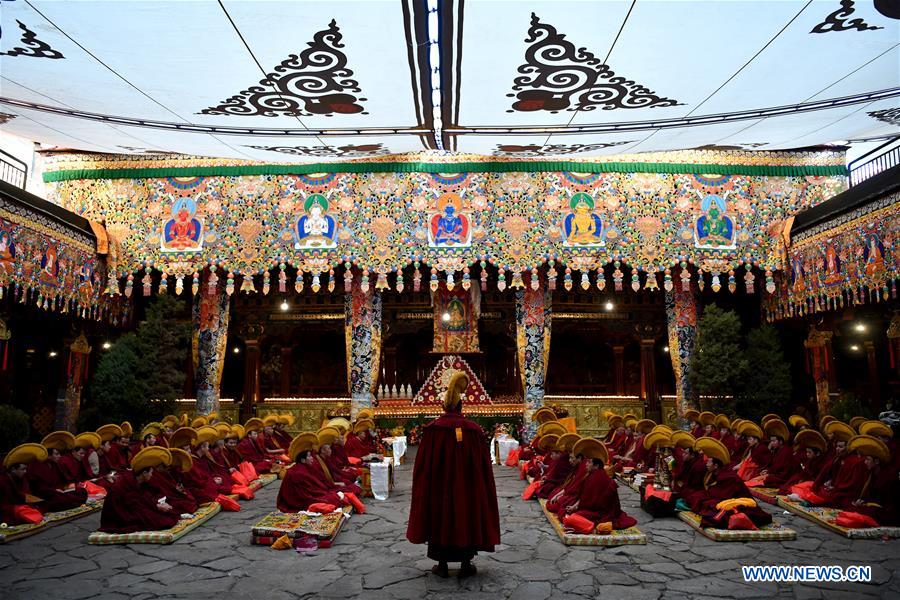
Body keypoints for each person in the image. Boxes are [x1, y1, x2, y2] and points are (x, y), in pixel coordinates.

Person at [407, 372, 500, 579]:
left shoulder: (433, 431)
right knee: (465, 515)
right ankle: (466, 563)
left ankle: (442, 565)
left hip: (439, 488)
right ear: (460, 407)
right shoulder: (473, 431)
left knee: (441, 517)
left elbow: (422, 467)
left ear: (444, 407)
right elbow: (483, 467)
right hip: (467, 488)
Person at [682, 438, 772, 529]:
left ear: (716, 466)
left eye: (709, 462)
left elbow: (723, 495)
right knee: (696, 496)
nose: (706, 464)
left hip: (739, 501)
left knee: (706, 503)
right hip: (724, 498)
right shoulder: (716, 473)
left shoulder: (728, 477)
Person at [558, 438, 637, 532]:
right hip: (593, 510)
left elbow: (592, 504)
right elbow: (584, 498)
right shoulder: (591, 476)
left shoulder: (598, 478)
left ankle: (589, 526)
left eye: (589, 462)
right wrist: (574, 506)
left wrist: (576, 508)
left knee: (570, 517)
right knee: (566, 512)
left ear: (596, 466)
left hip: (600, 513)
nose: (586, 464)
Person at [98, 447, 180, 534]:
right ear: (144, 473)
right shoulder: (127, 482)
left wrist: (157, 505)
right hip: (120, 516)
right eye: (151, 473)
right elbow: (134, 505)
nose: (152, 475)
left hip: (133, 509)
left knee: (168, 514)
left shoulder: (139, 480)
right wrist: (156, 507)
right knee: (163, 520)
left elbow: (144, 498)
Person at [277, 433, 356, 513]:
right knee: (333, 499)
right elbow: (305, 494)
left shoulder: (305, 467)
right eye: (309, 456)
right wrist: (327, 491)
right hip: (299, 501)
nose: (312, 458)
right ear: (303, 460)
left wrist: (329, 488)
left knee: (338, 494)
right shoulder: (298, 472)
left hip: (312, 494)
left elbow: (317, 483)